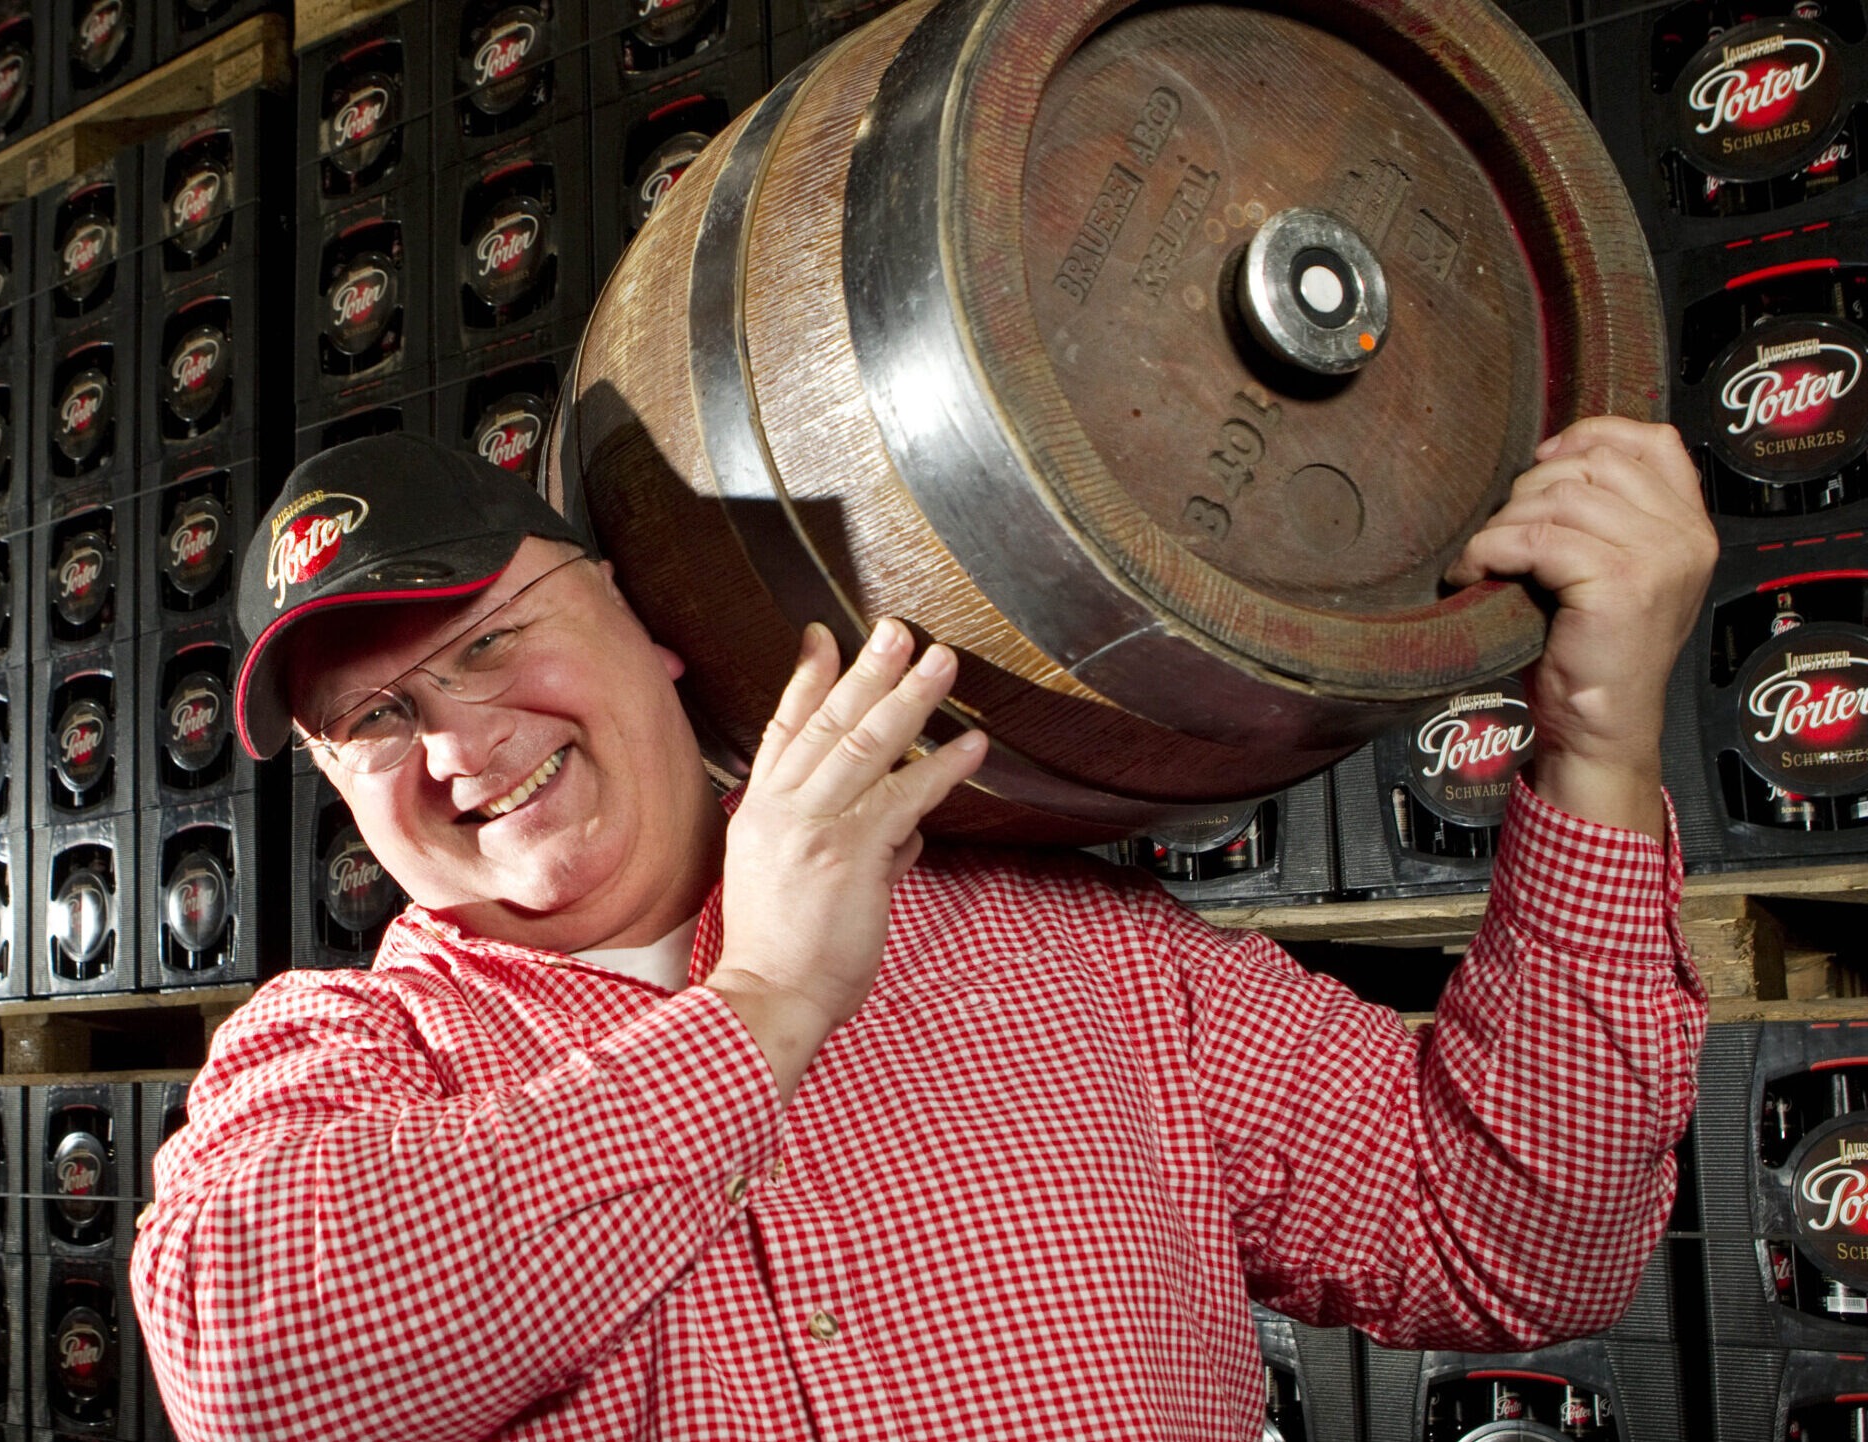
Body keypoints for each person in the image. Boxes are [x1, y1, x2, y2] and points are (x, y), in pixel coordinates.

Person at [129, 420, 1716, 1440]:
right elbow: (267, 1373)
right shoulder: (333, 1059)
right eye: (376, 720)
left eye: (490, 643)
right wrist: (762, 1004)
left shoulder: (1066, 943)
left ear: (641, 618)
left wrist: (1591, 734)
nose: (458, 742)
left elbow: (1519, 1238)